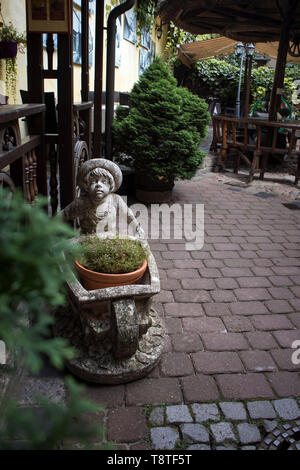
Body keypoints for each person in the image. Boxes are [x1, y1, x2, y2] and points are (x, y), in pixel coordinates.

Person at [63, 158, 144, 238]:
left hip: (109, 239)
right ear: (87, 186)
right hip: (86, 239)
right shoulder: (81, 202)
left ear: (110, 186)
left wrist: (137, 229)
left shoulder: (115, 200)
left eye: (104, 181)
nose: (98, 185)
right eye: (93, 181)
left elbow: (128, 215)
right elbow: (63, 216)